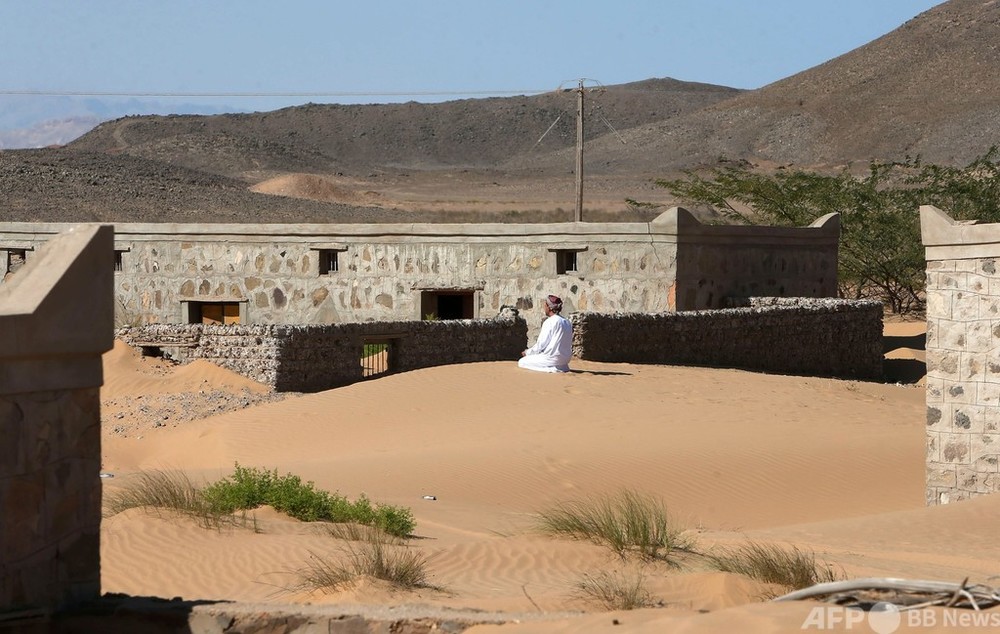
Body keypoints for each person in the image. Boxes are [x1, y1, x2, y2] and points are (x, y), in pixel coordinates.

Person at [518, 294, 573, 373]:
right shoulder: (567, 322)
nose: (544, 308)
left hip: (552, 358)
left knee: (522, 362)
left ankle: (552, 369)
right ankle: (559, 367)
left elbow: (541, 344)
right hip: (565, 359)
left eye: (545, 305)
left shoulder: (550, 322)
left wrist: (527, 352)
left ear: (549, 307)